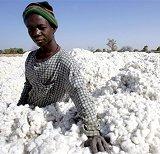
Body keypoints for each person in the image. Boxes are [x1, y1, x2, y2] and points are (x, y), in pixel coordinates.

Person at [17, 1, 110, 153]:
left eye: (41, 27)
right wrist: (18, 109)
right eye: (30, 29)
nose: (35, 33)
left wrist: (93, 132)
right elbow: (28, 86)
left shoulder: (65, 62)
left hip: (51, 123)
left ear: (53, 28)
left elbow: (79, 91)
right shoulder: (30, 58)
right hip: (31, 117)